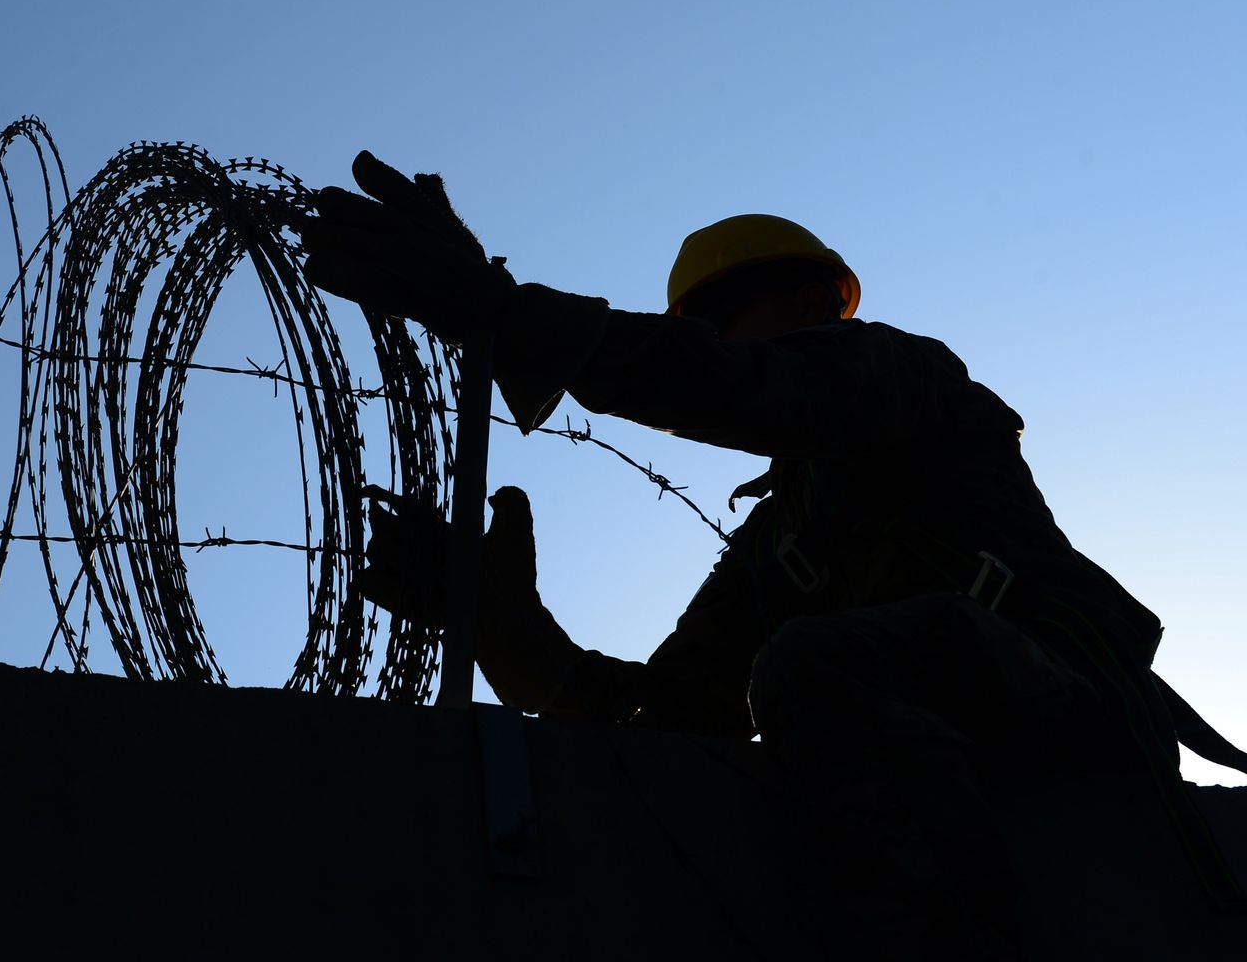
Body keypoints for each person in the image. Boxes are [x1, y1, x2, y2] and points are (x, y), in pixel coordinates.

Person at [295, 150, 1236, 959]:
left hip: (1060, 691)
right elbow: (664, 717)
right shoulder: (776, 547)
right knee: (801, 677)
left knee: (817, 664)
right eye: (698, 330)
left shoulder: (903, 376)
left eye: (724, 317)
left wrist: (507, 314)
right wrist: (501, 624)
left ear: (814, 300)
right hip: (933, 727)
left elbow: (748, 389)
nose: (709, 344)